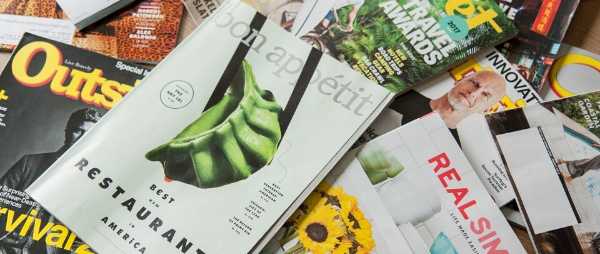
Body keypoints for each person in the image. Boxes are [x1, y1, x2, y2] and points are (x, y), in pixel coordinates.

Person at [0, 108, 101, 254]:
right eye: (78, 131)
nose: (81, 139)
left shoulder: (94, 184)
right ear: (67, 132)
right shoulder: (29, 163)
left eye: (89, 135)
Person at [391, 70, 507, 129]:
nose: (473, 93)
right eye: (475, 84)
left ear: (485, 110)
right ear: (461, 79)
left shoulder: (457, 149)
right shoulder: (402, 95)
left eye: (485, 95)